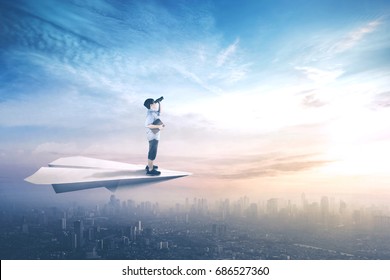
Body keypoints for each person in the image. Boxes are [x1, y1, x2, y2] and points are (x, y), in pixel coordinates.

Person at [143, 98, 165, 176]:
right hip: (153, 136)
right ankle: (150, 170)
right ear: (151, 105)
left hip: (155, 135)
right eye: (154, 103)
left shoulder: (153, 112)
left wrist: (159, 103)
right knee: (152, 152)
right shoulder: (150, 114)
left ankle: (150, 165)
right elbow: (147, 125)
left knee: (152, 151)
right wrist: (159, 126)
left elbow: (160, 112)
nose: (155, 104)